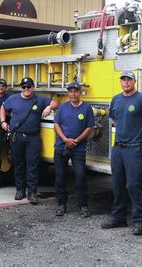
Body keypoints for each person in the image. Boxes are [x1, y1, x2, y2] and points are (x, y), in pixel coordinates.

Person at [101, 70, 142, 235]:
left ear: (134, 81)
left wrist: (139, 137)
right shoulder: (116, 99)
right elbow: (115, 121)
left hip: (134, 148)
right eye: (123, 80)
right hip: (118, 148)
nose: (126, 82)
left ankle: (139, 222)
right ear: (121, 82)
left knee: (134, 185)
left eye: (129, 80)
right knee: (117, 184)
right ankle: (118, 218)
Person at [0, 77, 59, 205]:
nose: (26, 89)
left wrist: (49, 108)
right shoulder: (13, 99)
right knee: (19, 165)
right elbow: (3, 108)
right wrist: (3, 121)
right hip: (17, 137)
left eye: (28, 87)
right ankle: (20, 190)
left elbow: (56, 103)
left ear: (33, 87)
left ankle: (32, 193)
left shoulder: (40, 99)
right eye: (24, 87)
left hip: (33, 138)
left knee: (32, 166)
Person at [53, 81, 95, 218]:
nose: (73, 94)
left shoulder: (87, 108)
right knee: (60, 176)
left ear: (80, 92)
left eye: (75, 91)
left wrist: (76, 140)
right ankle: (61, 204)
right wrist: (65, 139)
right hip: (62, 146)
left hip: (78, 148)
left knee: (80, 176)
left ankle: (83, 206)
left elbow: (89, 128)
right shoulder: (63, 107)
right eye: (70, 91)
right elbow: (56, 125)